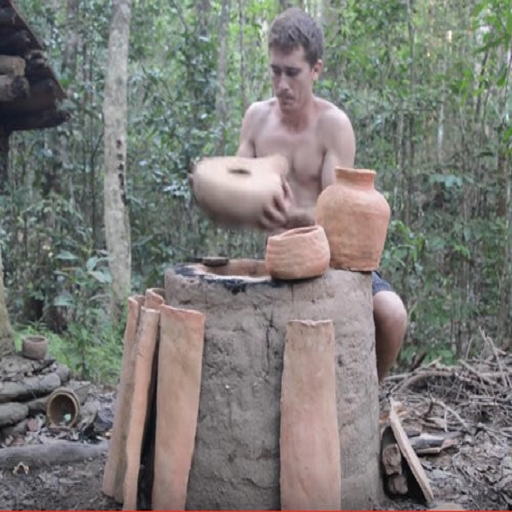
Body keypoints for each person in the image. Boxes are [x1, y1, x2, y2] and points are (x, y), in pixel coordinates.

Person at [236, 7, 407, 381]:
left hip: (334, 263)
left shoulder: (334, 126)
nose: (282, 84)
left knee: (392, 314)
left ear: (316, 69)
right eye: (275, 71)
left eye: (292, 72)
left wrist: (293, 214)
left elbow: (338, 223)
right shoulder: (256, 119)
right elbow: (240, 189)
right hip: (279, 261)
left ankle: (364, 397)